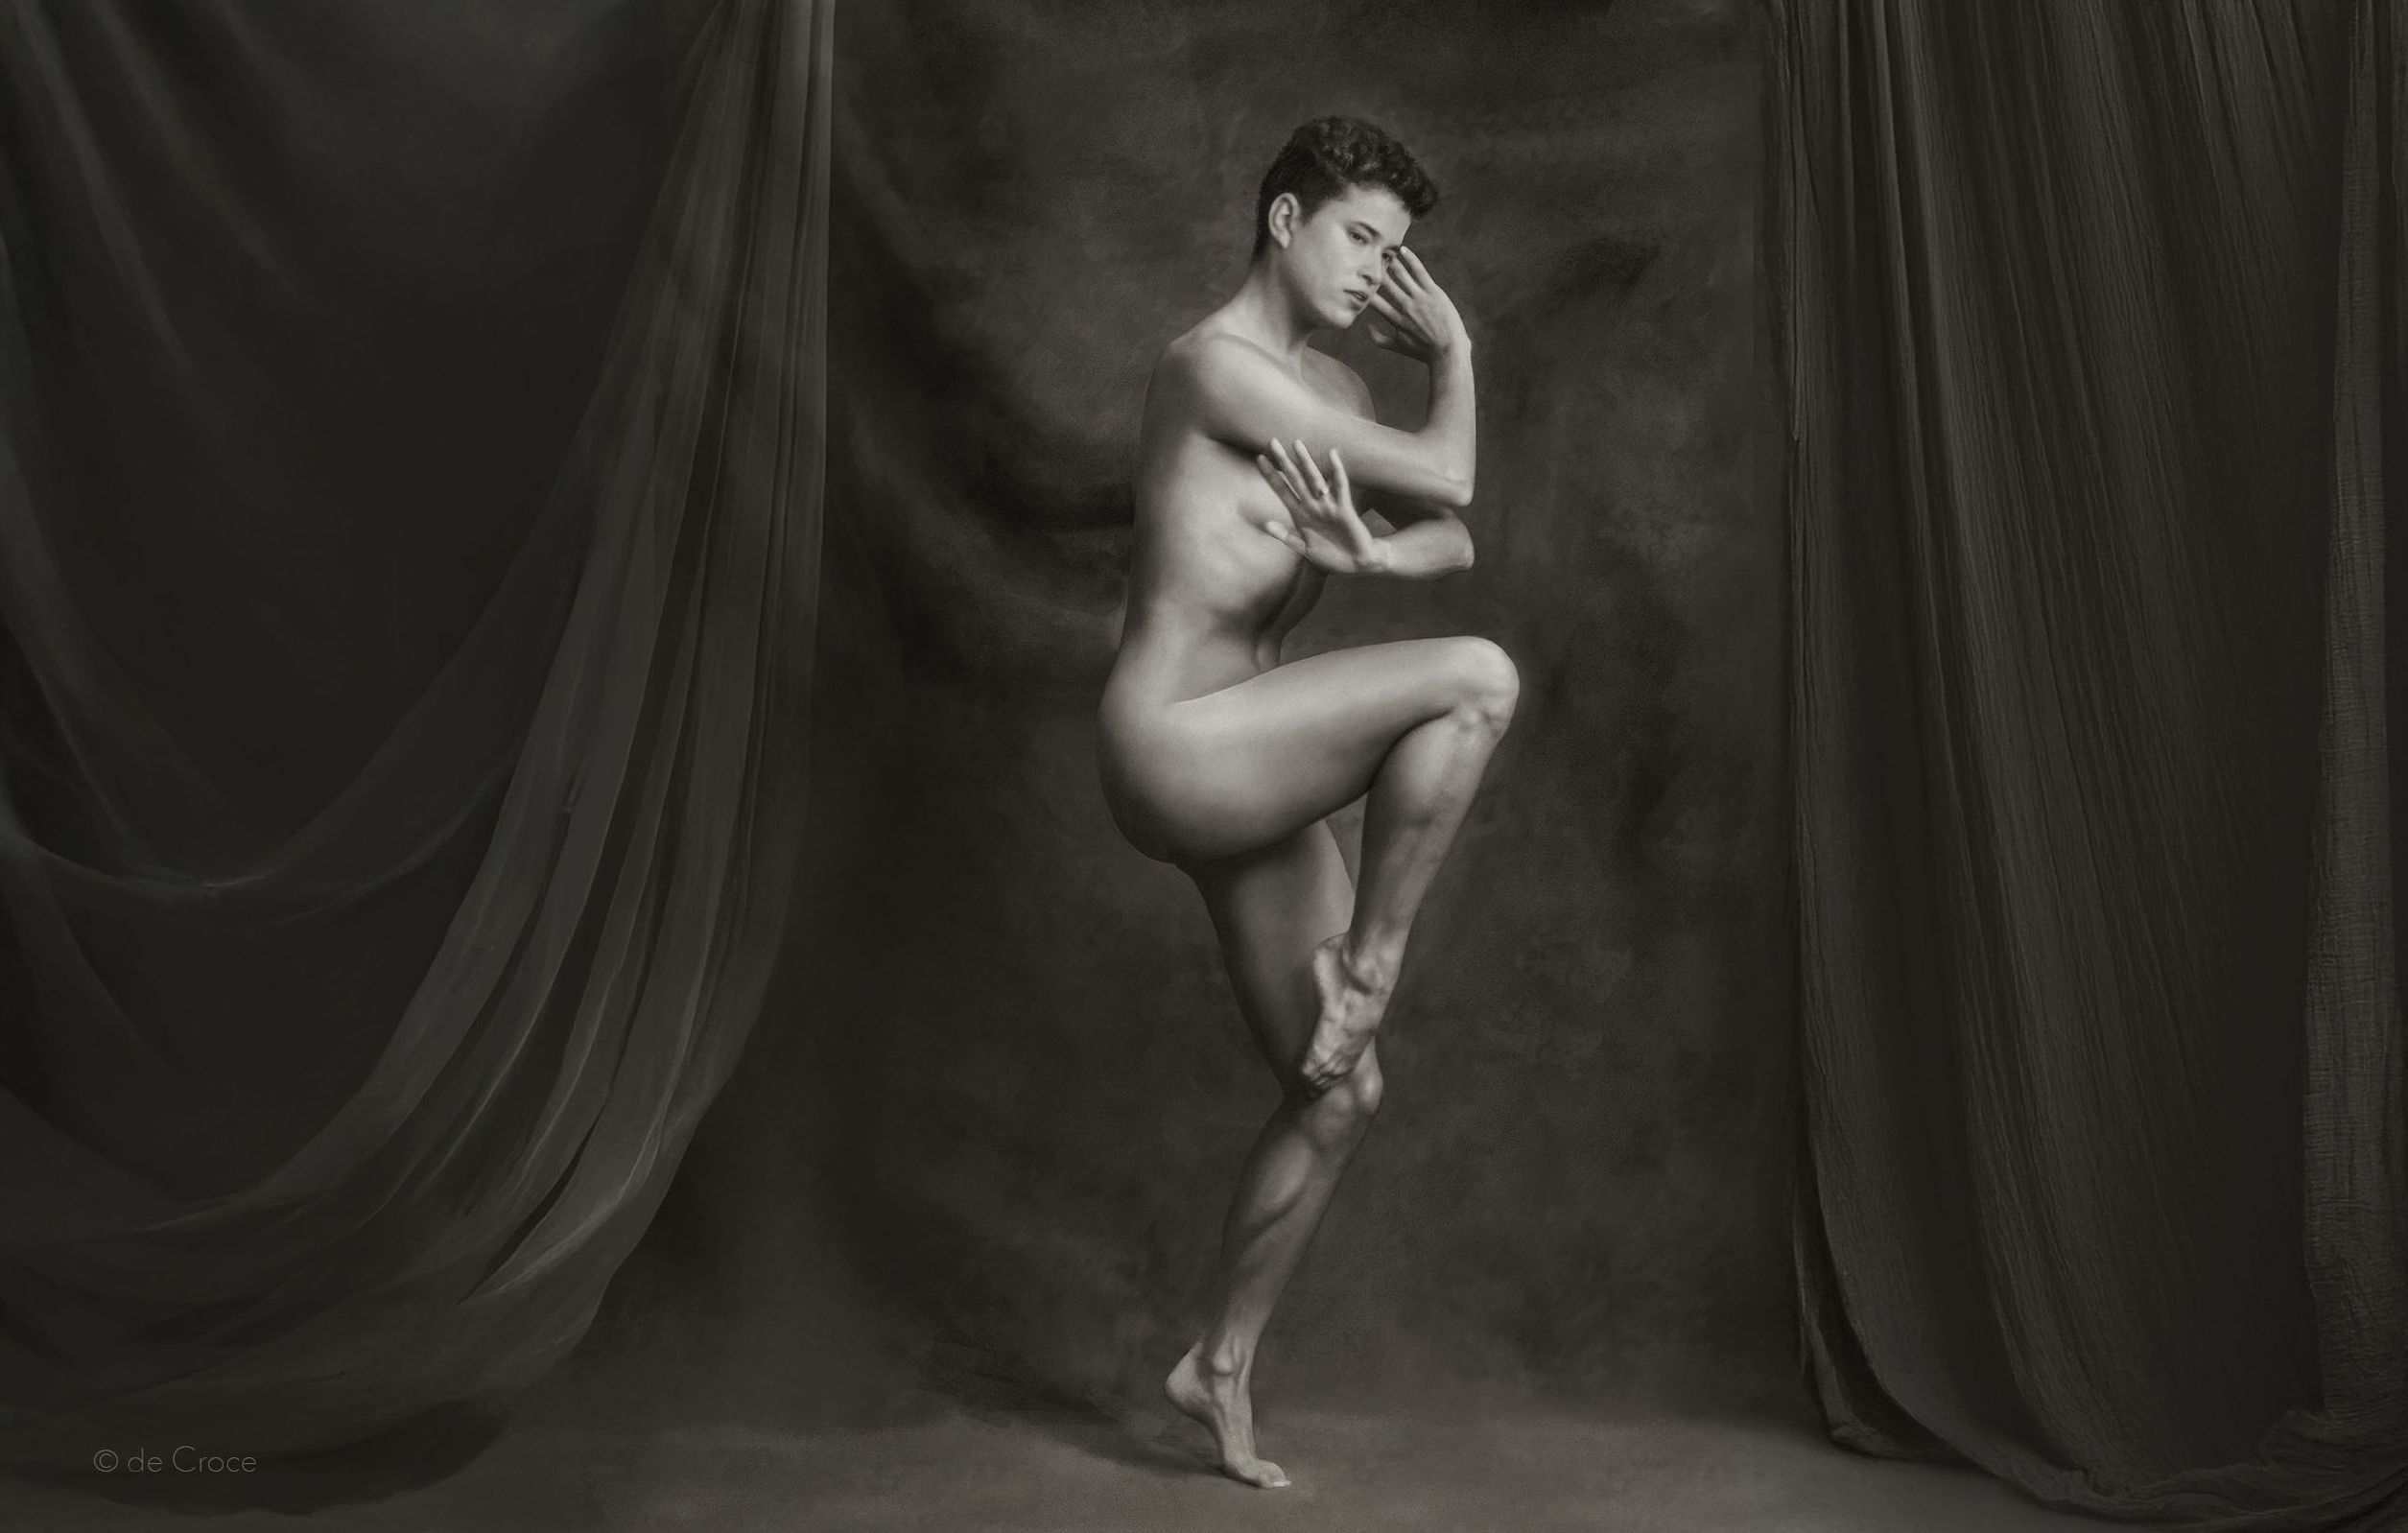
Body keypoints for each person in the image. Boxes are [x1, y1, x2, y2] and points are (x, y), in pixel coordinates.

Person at [1096, 116, 1518, 1489]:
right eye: (1360, 239)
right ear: (1284, 220)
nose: (1383, 276)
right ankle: (1370, 969)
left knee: (1340, 1098)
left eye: (1402, 255)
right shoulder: (1212, 370)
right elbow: (1451, 474)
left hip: (1252, 759)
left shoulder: (1327, 378)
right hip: (1176, 746)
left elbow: (1449, 527)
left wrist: (1374, 557)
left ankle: (1215, 1364)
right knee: (1475, 677)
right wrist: (1452, 355)